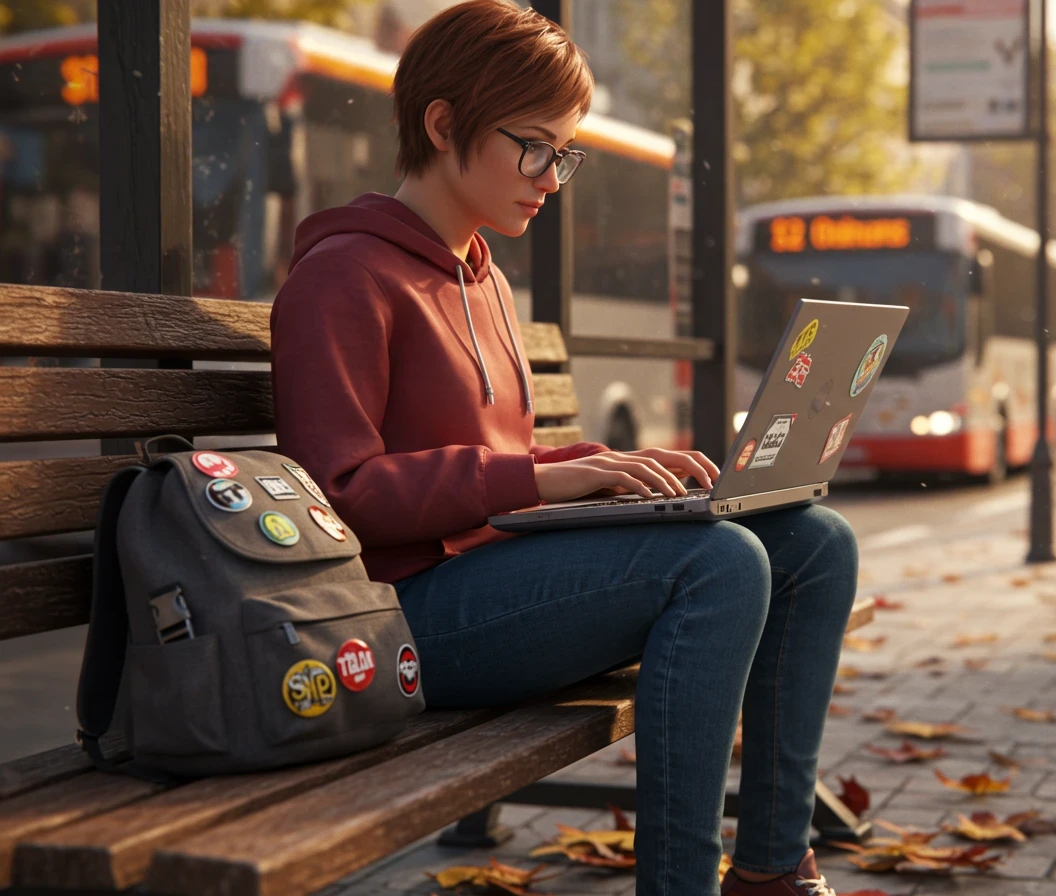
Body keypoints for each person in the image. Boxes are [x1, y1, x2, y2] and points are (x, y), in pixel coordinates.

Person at [268, 4, 858, 895]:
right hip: (399, 616)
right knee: (721, 565)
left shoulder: (485, 276)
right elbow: (342, 492)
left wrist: (626, 472)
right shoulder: (342, 276)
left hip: (496, 579)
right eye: (534, 147)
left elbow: (497, 456)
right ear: (441, 123)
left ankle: (774, 871)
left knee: (814, 543)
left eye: (563, 154)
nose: (552, 177)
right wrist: (545, 475)